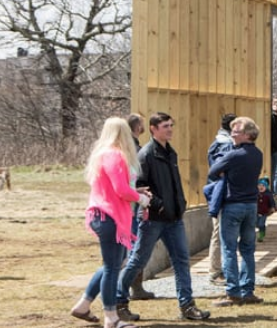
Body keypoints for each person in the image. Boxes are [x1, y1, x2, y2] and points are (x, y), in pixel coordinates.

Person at [115, 112, 210, 321]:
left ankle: (187, 306)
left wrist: (180, 204)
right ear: (153, 129)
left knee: (181, 260)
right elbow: (140, 186)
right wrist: (158, 205)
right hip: (152, 219)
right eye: (165, 126)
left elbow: (174, 184)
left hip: (173, 219)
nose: (170, 129)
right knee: (138, 260)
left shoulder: (171, 153)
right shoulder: (146, 155)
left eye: (170, 125)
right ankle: (118, 301)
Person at [70, 118, 153, 328]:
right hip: (110, 217)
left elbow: (117, 187)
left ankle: (83, 305)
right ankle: (111, 317)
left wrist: (136, 192)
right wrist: (141, 199)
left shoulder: (104, 154)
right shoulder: (114, 155)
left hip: (107, 216)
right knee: (112, 268)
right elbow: (121, 190)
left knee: (115, 264)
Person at [207, 117, 265, 307]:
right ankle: (248, 290)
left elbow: (213, 171)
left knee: (229, 249)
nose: (232, 134)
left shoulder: (233, 155)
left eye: (236, 131)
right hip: (251, 206)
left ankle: (233, 292)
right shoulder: (258, 154)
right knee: (248, 249)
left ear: (248, 135)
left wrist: (225, 172)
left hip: (233, 206)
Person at [124, 113, 154, 301]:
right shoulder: (133, 149)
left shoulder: (127, 147)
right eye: (142, 124)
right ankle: (133, 287)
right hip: (132, 202)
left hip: (131, 200)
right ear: (137, 128)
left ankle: (134, 287)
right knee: (135, 245)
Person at [205, 113, 236, 283]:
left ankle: (219, 269)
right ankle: (216, 271)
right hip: (222, 193)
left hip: (216, 192)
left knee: (220, 232)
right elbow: (220, 171)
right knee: (219, 232)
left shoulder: (217, 143)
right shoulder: (226, 145)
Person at [255, 178, 277, 243]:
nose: (261, 187)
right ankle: (262, 229)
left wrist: (273, 207)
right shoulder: (256, 194)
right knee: (257, 224)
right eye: (259, 186)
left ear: (266, 187)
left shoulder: (268, 194)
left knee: (261, 224)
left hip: (264, 212)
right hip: (256, 212)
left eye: (263, 186)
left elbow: (271, 201)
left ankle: (261, 236)